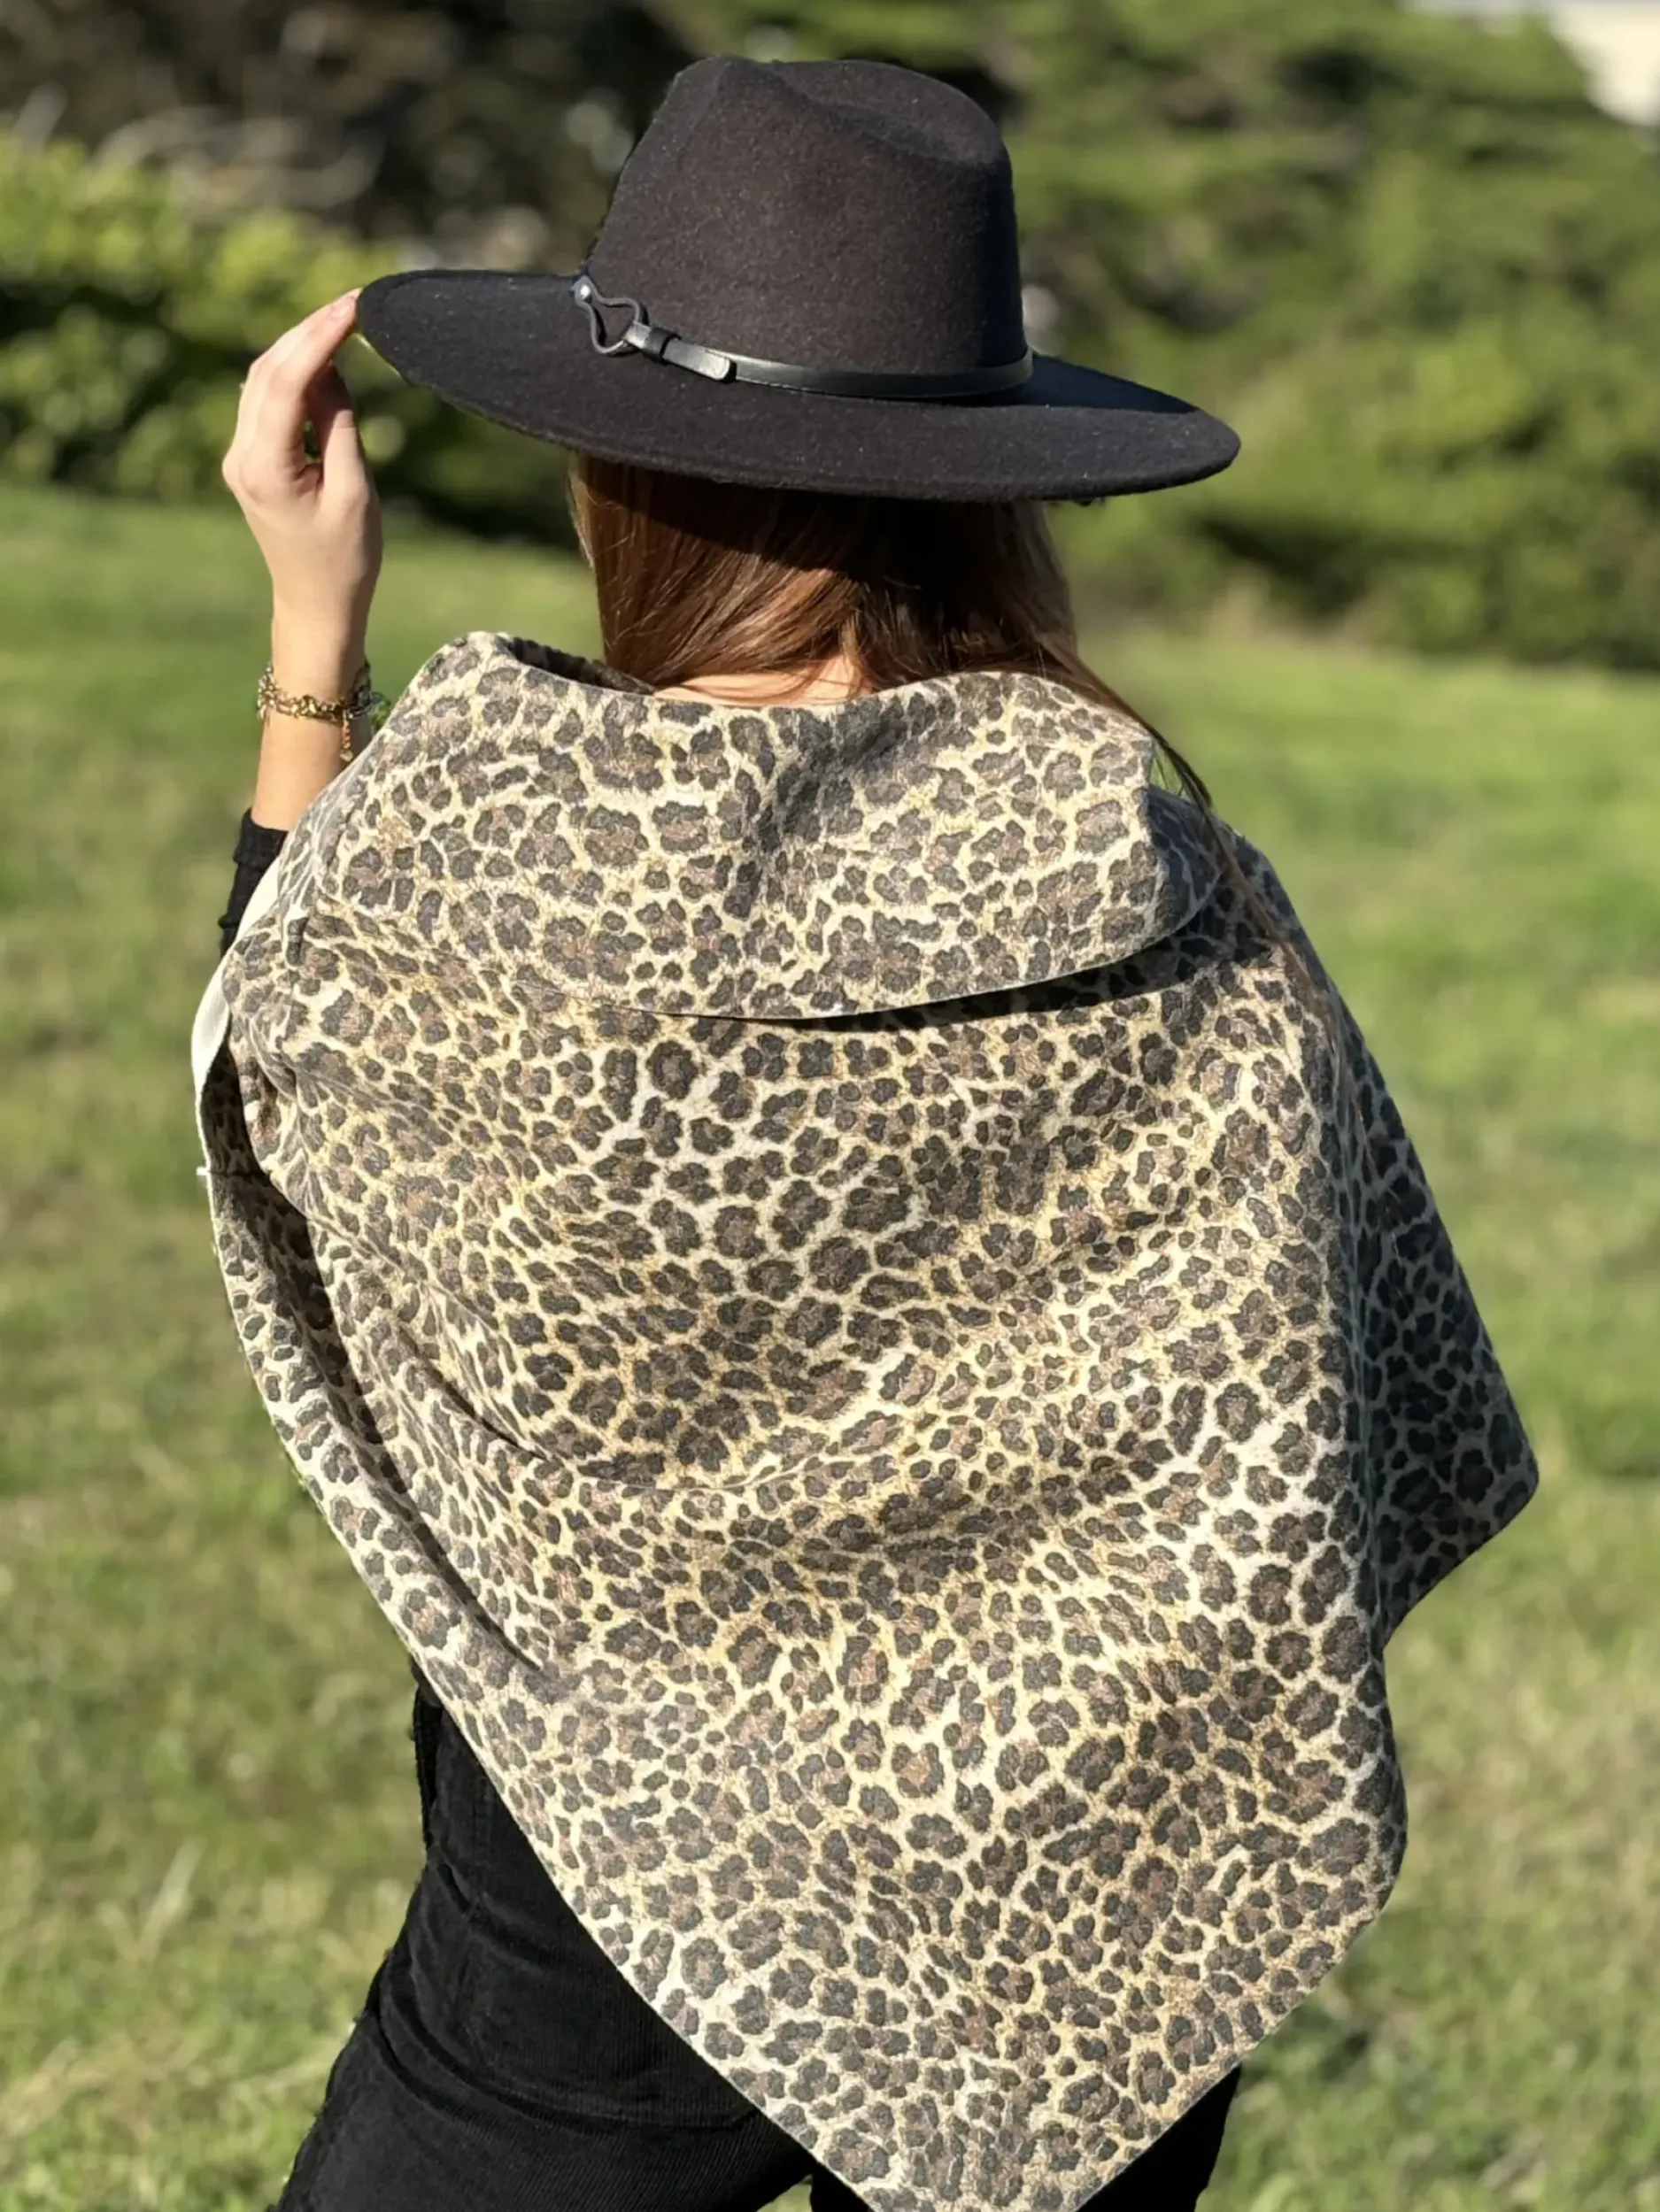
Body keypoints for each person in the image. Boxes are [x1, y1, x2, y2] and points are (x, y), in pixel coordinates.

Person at [197, 54, 1539, 2212]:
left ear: (615, 474)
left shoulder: (459, 868)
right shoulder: (1170, 888)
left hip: (607, 1898)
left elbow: (288, 1086)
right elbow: (1326, 1412)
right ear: (991, 482)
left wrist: (309, 636)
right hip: (1104, 1894)